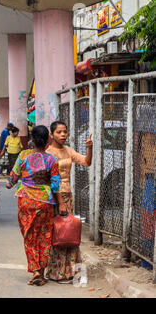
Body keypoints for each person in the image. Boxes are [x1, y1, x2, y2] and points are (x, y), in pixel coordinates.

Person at [6, 125, 61, 286]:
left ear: (32, 139)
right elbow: (56, 185)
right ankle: (41, 273)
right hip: (45, 202)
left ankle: (36, 270)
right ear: (48, 141)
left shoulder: (23, 156)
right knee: (44, 237)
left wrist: (9, 184)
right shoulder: (52, 160)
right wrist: (60, 204)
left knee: (30, 237)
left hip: (26, 200)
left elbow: (13, 177)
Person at [45, 121, 93, 284]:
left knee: (69, 232)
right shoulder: (48, 153)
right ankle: (56, 272)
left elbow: (87, 162)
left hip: (68, 195)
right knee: (58, 233)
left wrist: (89, 148)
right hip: (54, 197)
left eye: (65, 132)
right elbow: (51, 180)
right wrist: (60, 202)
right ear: (51, 135)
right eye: (59, 132)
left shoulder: (67, 151)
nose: (63, 135)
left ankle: (71, 271)